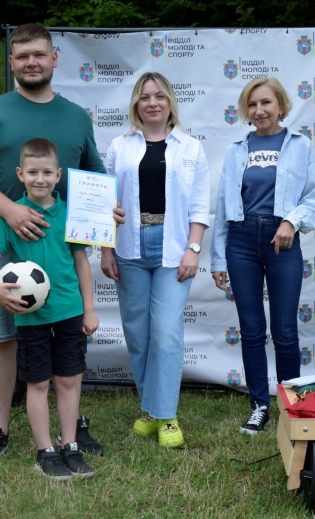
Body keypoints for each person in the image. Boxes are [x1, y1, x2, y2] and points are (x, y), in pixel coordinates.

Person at [0, 23, 124, 467]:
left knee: (65, 334)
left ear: (54, 59)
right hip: (6, 244)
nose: (32, 61)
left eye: (40, 54)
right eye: (23, 55)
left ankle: (69, 428)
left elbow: (94, 181)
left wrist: (106, 223)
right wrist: (10, 211)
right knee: (2, 337)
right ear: (12, 63)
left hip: (61, 246)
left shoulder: (75, 116)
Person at [210, 77, 315, 435]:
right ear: (246, 111)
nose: (259, 110)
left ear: (281, 106)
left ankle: (291, 405)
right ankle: (260, 405)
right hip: (241, 241)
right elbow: (223, 206)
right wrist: (217, 259)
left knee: (285, 331)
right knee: (252, 330)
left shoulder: (299, 145)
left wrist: (291, 221)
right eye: (253, 104)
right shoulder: (235, 150)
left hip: (282, 240)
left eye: (266, 103)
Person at [100, 72, 209, 448]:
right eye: (145, 97)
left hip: (173, 247)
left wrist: (193, 250)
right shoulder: (120, 146)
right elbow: (105, 203)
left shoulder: (191, 148)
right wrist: (106, 249)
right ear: (136, 103)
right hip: (129, 247)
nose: (152, 103)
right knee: (138, 333)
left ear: (170, 102)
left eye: (159, 96)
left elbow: (199, 206)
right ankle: (149, 409)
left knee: (165, 331)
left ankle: (167, 416)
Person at [0, 138, 99, 479]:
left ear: (58, 174)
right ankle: (45, 450)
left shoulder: (71, 214)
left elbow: (81, 264)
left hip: (69, 312)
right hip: (30, 317)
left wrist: (89, 309)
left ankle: (70, 445)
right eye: (32, 172)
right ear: (20, 174)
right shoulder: (10, 218)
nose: (40, 179)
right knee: (38, 384)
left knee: (67, 380)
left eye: (47, 172)